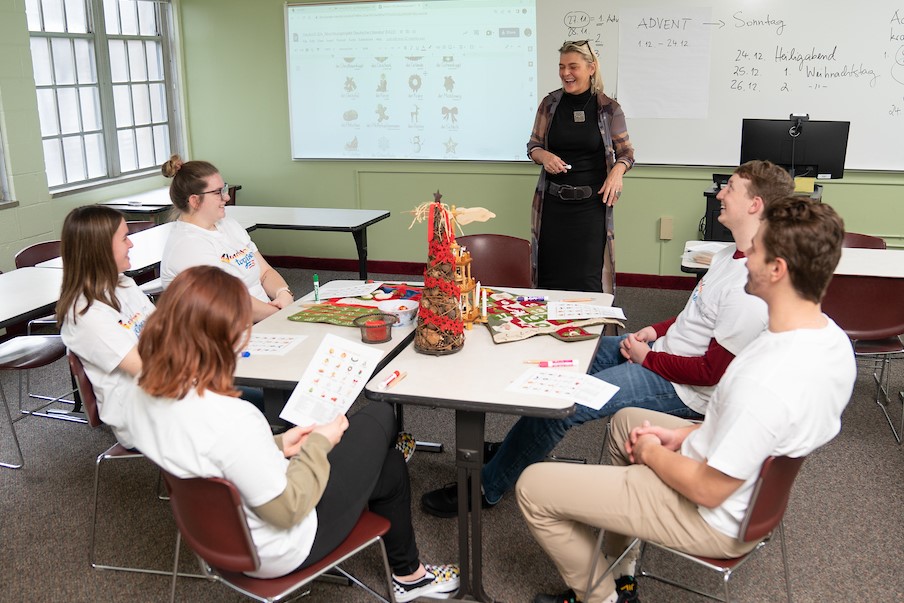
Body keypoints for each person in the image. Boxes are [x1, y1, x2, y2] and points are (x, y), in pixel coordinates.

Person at [518, 196, 855, 603]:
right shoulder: (831, 341)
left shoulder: (763, 379)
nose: (745, 259)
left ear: (777, 269)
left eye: (757, 251)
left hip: (715, 516)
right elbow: (761, 433)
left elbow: (708, 490)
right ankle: (620, 570)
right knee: (626, 418)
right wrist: (687, 435)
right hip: (740, 477)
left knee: (533, 487)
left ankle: (601, 598)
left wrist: (653, 452)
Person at [421, 160, 794, 518]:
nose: (720, 194)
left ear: (755, 204)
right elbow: (694, 317)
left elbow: (710, 372)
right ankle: (517, 450)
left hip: (681, 387)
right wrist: (653, 332)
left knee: (566, 401)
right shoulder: (728, 253)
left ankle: (486, 487)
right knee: (563, 356)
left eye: (730, 188)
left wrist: (647, 358)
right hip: (660, 354)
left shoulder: (751, 285)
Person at [121, 266, 458, 602]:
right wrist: (319, 445)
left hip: (214, 536)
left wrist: (279, 444)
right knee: (380, 415)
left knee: (388, 464)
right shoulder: (233, 417)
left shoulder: (142, 394)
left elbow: (209, 455)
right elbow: (288, 509)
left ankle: (409, 572)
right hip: (282, 545)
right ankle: (409, 575)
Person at [527, 40, 635, 293]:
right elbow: (533, 145)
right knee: (549, 279)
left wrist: (617, 173)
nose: (566, 73)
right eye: (562, 66)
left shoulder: (609, 109)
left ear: (591, 68)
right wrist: (544, 156)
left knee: (587, 281)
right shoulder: (550, 104)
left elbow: (626, 152)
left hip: (590, 209)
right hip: (552, 208)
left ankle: (590, 332)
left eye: (573, 66)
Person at [57, 205, 155, 441]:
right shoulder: (85, 314)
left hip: (163, 391)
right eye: (124, 238)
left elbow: (164, 330)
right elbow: (147, 369)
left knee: (247, 403)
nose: (131, 244)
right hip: (141, 414)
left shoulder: (122, 283)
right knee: (246, 408)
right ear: (99, 249)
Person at [160, 155, 294, 323]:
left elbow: (265, 272)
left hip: (263, 318)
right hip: (229, 332)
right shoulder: (188, 245)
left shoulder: (228, 224)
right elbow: (230, 303)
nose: (227, 197)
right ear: (195, 201)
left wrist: (283, 293)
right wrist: (281, 314)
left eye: (224, 189)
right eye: (218, 193)